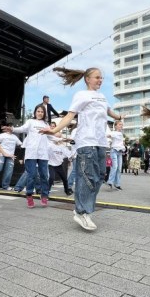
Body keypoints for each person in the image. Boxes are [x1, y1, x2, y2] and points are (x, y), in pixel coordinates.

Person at [41, 66, 122, 231]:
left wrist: (119, 117)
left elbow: (109, 112)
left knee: (99, 177)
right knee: (86, 177)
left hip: (101, 143)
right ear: (88, 79)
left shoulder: (102, 97)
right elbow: (70, 115)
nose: (100, 80)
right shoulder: (82, 95)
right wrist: (55, 130)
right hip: (86, 142)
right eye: (97, 77)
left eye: (101, 78)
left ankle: (84, 209)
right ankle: (82, 212)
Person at [12, 104, 53, 208]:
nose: (40, 113)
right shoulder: (30, 122)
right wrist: (12, 129)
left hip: (43, 154)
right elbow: (22, 129)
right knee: (32, 175)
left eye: (42, 112)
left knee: (44, 175)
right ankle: (29, 195)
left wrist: (61, 139)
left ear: (44, 113)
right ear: (35, 112)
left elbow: (51, 136)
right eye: (38, 111)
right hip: (31, 153)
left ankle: (44, 195)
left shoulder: (46, 124)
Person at [106, 120, 125, 189]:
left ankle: (117, 184)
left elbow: (121, 143)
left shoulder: (121, 134)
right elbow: (108, 135)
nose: (121, 126)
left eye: (122, 125)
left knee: (119, 168)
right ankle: (110, 182)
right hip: (114, 151)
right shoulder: (114, 132)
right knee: (115, 167)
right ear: (116, 126)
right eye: (120, 124)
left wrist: (123, 147)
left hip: (120, 152)